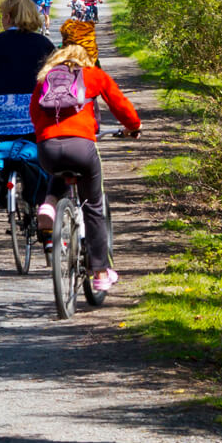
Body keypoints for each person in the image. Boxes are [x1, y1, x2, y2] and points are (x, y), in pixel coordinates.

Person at [29, 19, 141, 292]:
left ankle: (49, 204)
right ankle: (101, 272)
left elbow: (34, 113)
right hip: (83, 147)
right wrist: (134, 127)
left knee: (58, 169)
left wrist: (48, 134)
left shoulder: (47, 75)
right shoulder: (94, 75)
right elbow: (121, 106)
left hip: (48, 148)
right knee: (93, 206)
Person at [0, 0, 54, 142]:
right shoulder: (44, 43)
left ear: (7, 17)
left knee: (8, 148)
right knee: (38, 155)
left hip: (2, 118)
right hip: (36, 115)